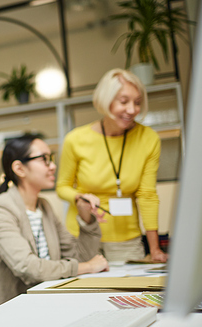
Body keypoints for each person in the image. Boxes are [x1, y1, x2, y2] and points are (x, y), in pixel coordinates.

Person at [0, 133, 108, 315]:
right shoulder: (0, 209)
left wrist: (86, 216)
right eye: (44, 159)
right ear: (20, 168)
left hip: (38, 305)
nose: (53, 166)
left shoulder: (44, 207)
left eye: (51, 159)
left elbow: (79, 256)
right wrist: (88, 267)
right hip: (1, 312)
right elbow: (29, 267)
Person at [56, 68, 168, 263]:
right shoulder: (75, 139)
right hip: (82, 235)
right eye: (124, 102)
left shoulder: (148, 139)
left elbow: (147, 195)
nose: (132, 110)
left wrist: (155, 248)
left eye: (138, 102)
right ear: (105, 101)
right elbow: (62, 187)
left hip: (127, 240)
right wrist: (79, 197)